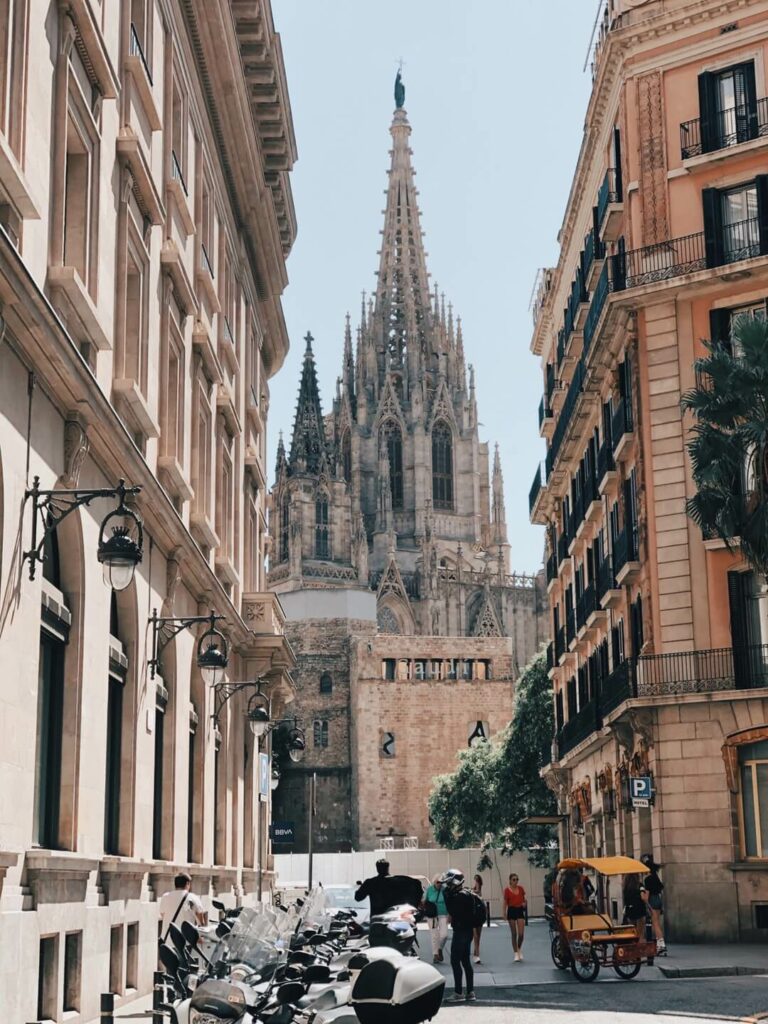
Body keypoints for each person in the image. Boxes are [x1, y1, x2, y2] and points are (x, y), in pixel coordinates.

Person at [441, 869, 478, 1002]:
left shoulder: (459, 897)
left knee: (455, 961)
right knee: (465, 961)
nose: (448, 886)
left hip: (461, 931)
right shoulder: (467, 894)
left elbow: (451, 911)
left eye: (449, 883)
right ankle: (470, 991)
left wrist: (446, 894)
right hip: (467, 932)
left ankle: (458, 992)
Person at [159, 872, 207, 946]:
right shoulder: (193, 898)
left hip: (168, 942)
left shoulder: (165, 897)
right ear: (187, 884)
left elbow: (163, 915)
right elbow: (201, 922)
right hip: (186, 943)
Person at [641, 854, 666, 955]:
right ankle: (659, 945)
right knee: (657, 924)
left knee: (655, 925)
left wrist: (646, 903)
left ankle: (661, 946)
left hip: (652, 901)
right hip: (658, 900)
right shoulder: (656, 878)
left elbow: (646, 896)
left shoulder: (648, 879)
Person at [424, 874, 449, 963]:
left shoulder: (445, 890)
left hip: (443, 914)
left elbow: (449, 902)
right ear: (434, 882)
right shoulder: (429, 889)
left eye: (441, 882)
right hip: (432, 915)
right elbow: (424, 901)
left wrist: (450, 914)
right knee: (434, 935)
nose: (440, 884)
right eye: (438, 882)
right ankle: (435, 955)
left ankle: (439, 949)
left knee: (444, 935)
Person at [503, 873, 527, 962]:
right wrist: (504, 913)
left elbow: (524, 899)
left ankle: (519, 948)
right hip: (511, 910)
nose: (515, 881)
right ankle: (516, 953)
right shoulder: (507, 890)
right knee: (514, 933)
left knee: (521, 934)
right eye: (514, 880)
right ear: (510, 881)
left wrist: (524, 903)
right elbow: (505, 902)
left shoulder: (521, 889)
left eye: (517, 879)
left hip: (519, 909)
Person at [622, 874, 649, 940]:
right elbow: (643, 897)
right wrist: (649, 907)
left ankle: (634, 946)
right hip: (639, 910)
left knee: (633, 932)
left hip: (630, 910)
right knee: (640, 933)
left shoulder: (625, 887)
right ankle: (640, 948)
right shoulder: (640, 885)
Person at [471, 874, 484, 963]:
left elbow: (478, 892)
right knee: (475, 935)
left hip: (479, 913)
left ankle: (476, 952)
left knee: (478, 935)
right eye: (475, 880)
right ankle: (477, 954)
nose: (476, 882)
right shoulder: (472, 890)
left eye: (477, 880)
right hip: (473, 914)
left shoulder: (478, 891)